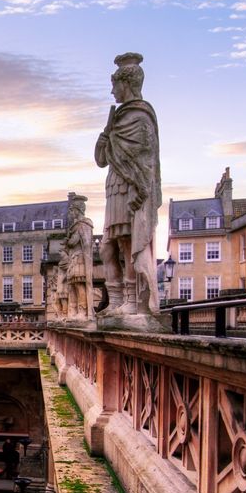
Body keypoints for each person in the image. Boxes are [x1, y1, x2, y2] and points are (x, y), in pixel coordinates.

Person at [95, 52, 162, 318]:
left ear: (127, 84)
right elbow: (101, 159)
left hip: (130, 187)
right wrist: (105, 135)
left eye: (114, 85)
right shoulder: (118, 118)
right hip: (114, 184)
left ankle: (132, 302)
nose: (112, 91)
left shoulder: (140, 116)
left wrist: (142, 189)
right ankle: (118, 301)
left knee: (127, 243)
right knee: (109, 247)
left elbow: (146, 159)